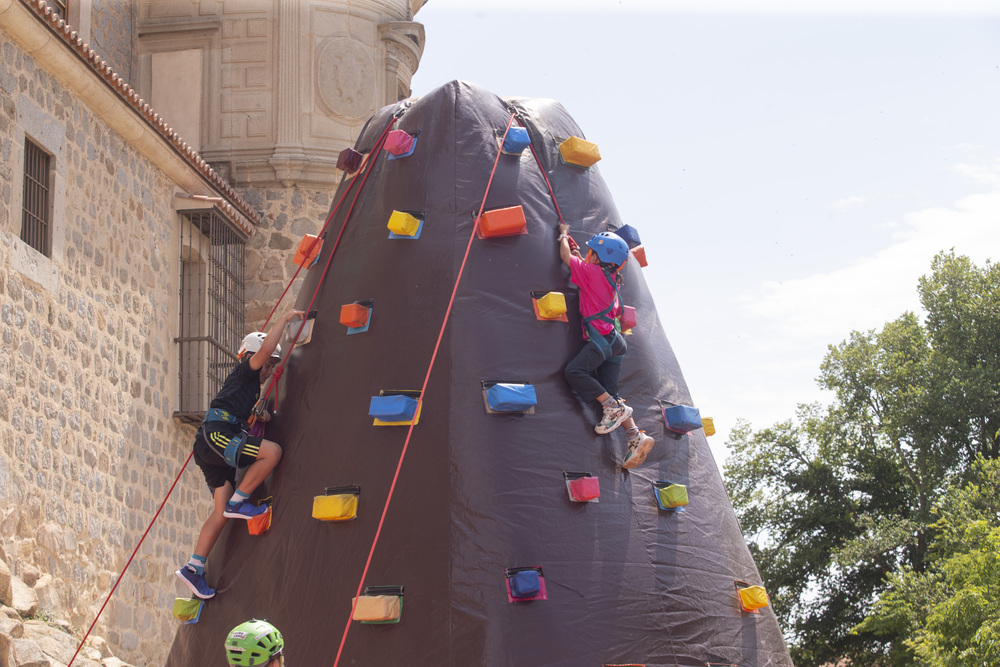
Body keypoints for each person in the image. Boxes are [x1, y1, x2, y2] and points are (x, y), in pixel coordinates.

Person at [175, 310, 304, 599]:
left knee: (219, 513)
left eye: (271, 366)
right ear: (252, 357)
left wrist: (263, 416)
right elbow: (266, 349)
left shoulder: (244, 391)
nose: (268, 370)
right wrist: (283, 320)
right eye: (267, 364)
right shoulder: (245, 371)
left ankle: (193, 568)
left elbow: (247, 414)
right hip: (218, 436)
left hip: (209, 446)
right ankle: (240, 502)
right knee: (273, 453)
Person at [558, 224, 654, 469]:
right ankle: (634, 435)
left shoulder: (590, 273)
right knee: (613, 394)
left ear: (599, 257)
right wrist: (583, 257)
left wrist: (562, 234)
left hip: (599, 341)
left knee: (575, 372)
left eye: (593, 252)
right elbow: (585, 268)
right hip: (615, 341)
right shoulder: (612, 278)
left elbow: (565, 257)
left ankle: (611, 407)